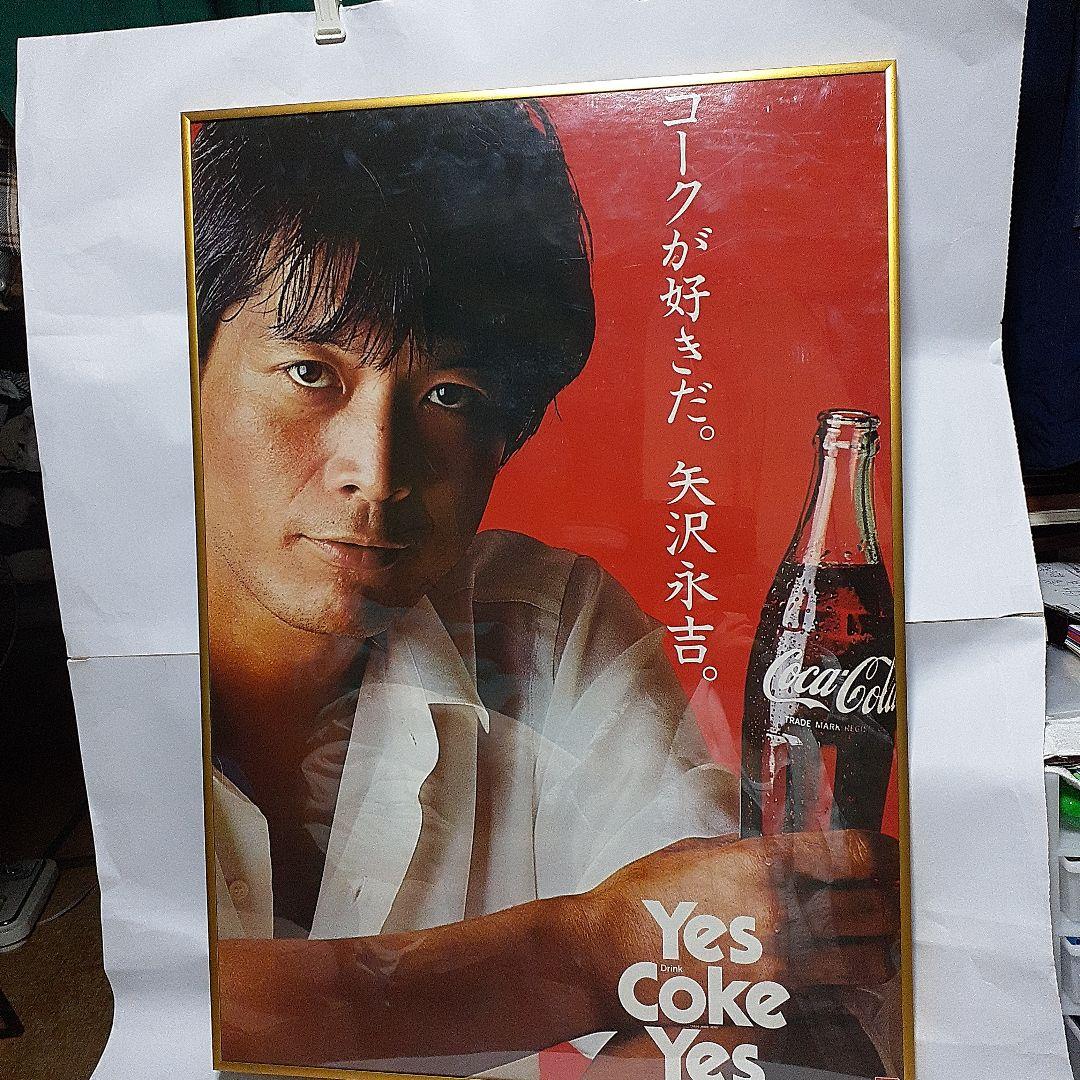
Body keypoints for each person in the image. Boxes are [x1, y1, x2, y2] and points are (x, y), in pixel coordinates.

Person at [192, 100, 900, 1078]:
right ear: (183, 371)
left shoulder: (547, 624)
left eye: (450, 396)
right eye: (311, 371)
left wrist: (667, 964)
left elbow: (748, 974)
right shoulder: (63, 644)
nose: (377, 472)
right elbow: (134, 998)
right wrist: (589, 948)